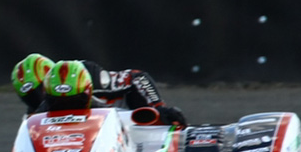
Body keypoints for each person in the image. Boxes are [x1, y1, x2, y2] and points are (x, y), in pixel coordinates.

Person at [11, 53, 186, 126]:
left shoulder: (85, 77)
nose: (37, 99)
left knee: (166, 120)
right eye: (29, 97)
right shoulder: (34, 118)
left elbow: (137, 77)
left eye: (40, 90)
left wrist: (158, 108)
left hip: (130, 123)